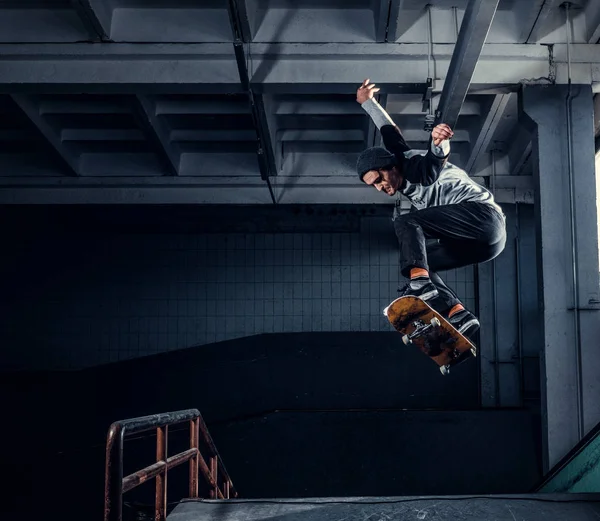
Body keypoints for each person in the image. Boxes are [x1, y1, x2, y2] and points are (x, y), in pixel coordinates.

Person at [355, 79, 507, 338]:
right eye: (374, 186)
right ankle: (457, 312)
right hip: (487, 245)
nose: (380, 188)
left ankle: (420, 283)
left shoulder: (412, 167)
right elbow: (389, 131)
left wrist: (439, 143)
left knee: (405, 222)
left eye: (379, 180)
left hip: (483, 217)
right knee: (427, 260)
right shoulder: (397, 158)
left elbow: (433, 164)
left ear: (390, 167)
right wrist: (367, 102)